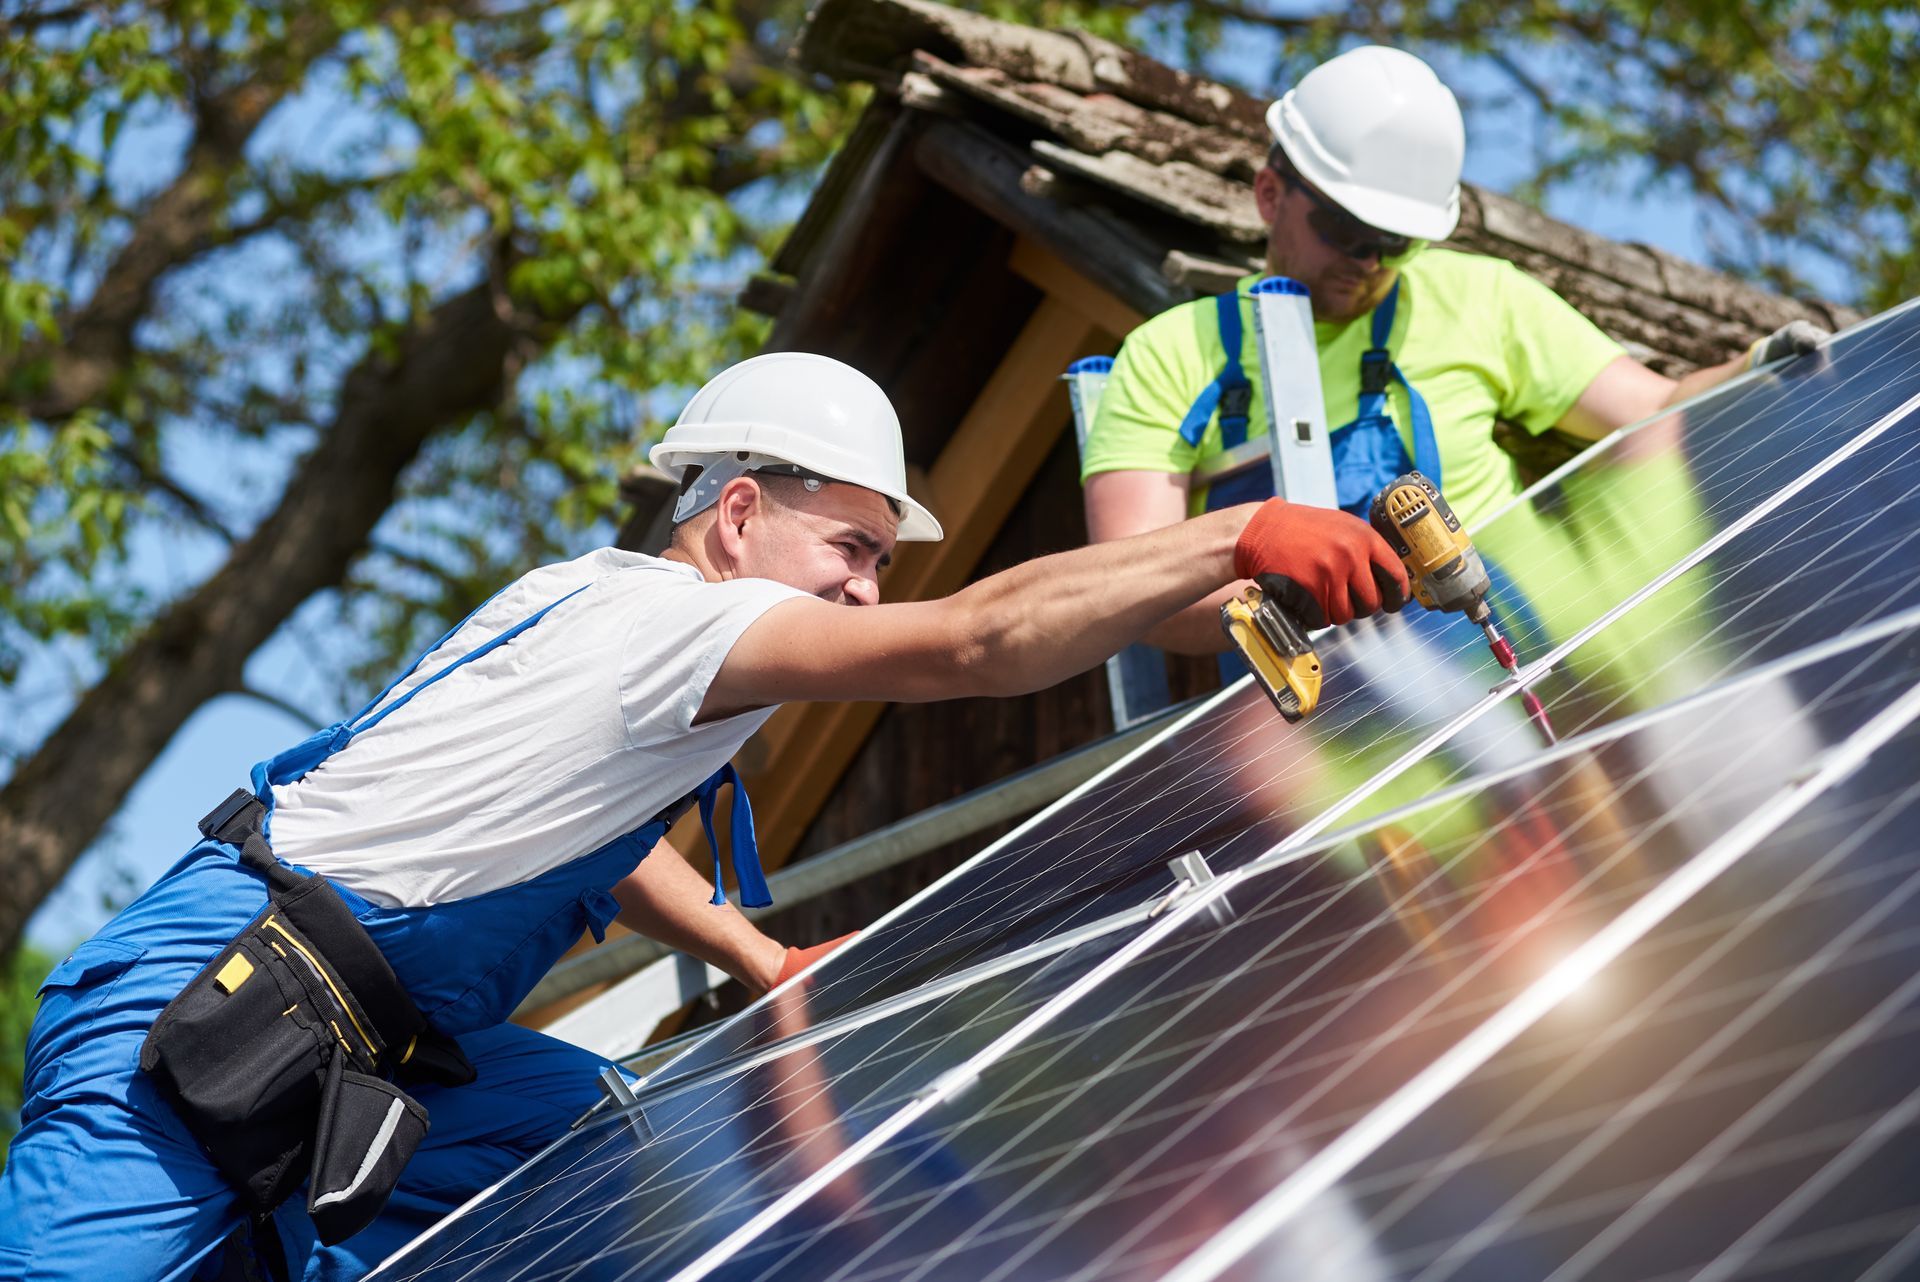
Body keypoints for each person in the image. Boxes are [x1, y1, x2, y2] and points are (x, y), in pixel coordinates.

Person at [0, 351, 1408, 1282]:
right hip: (207, 1012)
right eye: (852, 548)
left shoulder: (589, 609)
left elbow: (596, 836)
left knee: (579, 1133)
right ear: (738, 514)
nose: (865, 588)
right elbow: (974, 643)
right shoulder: (676, 629)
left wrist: (753, 959)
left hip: (358, 1033)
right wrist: (1234, 534)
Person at [1081, 44, 1829, 655]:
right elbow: (1132, 582)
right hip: (1337, 721)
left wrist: (1756, 370)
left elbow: (1654, 414)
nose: (1370, 260)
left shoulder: (1478, 296)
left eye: (1395, 242)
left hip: (1534, 648)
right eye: (1347, 231)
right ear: (1271, 195)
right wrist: (1291, 594)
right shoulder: (1174, 354)